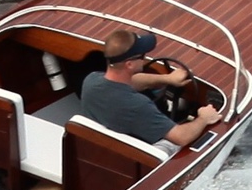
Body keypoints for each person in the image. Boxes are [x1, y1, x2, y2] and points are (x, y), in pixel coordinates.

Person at [80, 29, 221, 156]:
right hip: (136, 156)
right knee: (177, 142)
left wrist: (167, 79)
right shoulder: (137, 105)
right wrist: (204, 118)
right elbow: (181, 137)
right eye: (142, 56)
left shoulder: (91, 81)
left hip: (100, 151)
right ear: (129, 64)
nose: (145, 58)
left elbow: (132, 81)